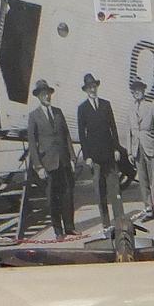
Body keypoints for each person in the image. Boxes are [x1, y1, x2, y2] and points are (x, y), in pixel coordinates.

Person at [25, 79, 76, 239]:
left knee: (67, 195)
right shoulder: (34, 116)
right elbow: (32, 143)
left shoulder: (58, 112)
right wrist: (39, 167)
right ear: (38, 96)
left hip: (63, 161)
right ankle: (58, 231)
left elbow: (66, 135)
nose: (46, 96)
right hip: (48, 164)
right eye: (43, 94)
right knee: (53, 199)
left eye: (48, 93)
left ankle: (69, 227)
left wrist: (73, 158)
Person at [75, 72, 123, 234]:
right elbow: (82, 134)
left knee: (114, 189)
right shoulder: (82, 109)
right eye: (89, 87)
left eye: (94, 86)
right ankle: (106, 224)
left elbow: (113, 128)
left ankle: (120, 221)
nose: (92, 89)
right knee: (100, 191)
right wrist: (87, 156)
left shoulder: (106, 105)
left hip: (109, 154)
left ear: (97, 87)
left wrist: (116, 148)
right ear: (86, 90)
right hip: (94, 158)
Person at [129, 76, 154, 220]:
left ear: (143, 90)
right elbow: (129, 132)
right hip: (137, 150)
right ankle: (148, 209)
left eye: (139, 89)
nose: (137, 92)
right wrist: (129, 152)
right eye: (134, 90)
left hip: (150, 148)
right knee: (143, 181)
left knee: (153, 180)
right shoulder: (130, 109)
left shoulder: (151, 107)